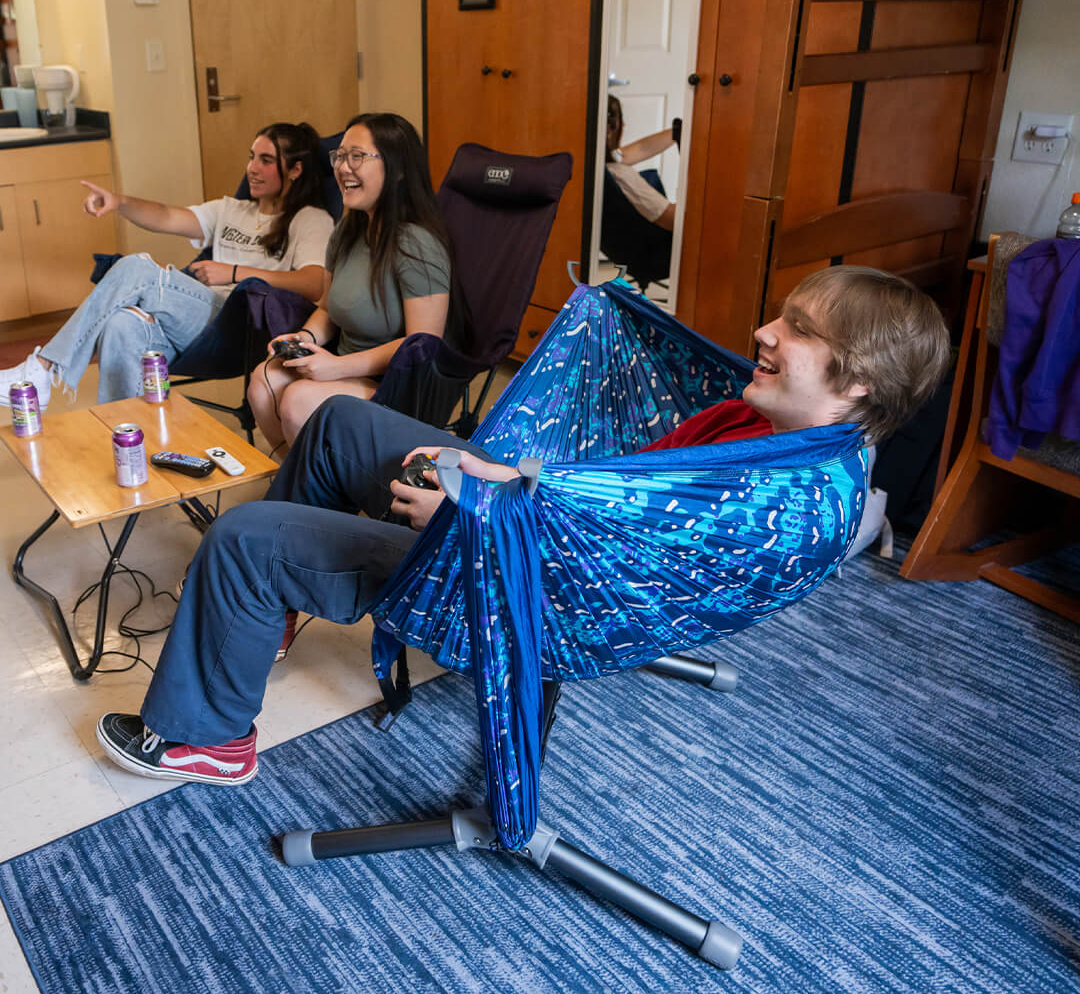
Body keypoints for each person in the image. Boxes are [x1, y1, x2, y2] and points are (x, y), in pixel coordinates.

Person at [94, 265, 951, 786]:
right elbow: (616, 500)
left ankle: (209, 742)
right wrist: (496, 477)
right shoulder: (775, 428)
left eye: (797, 331)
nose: (764, 333)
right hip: (535, 521)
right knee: (336, 425)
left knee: (245, 541)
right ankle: (264, 610)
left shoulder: (785, 502)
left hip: (523, 590)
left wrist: (468, 513)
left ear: (861, 382)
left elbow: (605, 582)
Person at [0, 123, 334, 409]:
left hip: (238, 329)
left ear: (295, 170)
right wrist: (119, 202)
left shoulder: (310, 220)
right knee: (121, 324)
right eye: (251, 157)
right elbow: (165, 215)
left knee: (136, 269)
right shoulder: (231, 210)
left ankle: (42, 368)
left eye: (266, 160)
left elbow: (314, 282)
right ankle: (130, 438)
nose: (252, 168)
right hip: (196, 321)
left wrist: (234, 273)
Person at [247, 112, 453, 455]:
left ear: (398, 169)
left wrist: (337, 367)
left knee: (298, 399)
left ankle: (318, 491)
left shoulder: (417, 244)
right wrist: (306, 338)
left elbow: (423, 344)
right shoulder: (348, 229)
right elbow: (328, 305)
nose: (343, 168)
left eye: (357, 156)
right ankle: (302, 482)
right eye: (340, 156)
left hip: (393, 384)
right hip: (342, 364)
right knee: (263, 380)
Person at [605, 95, 677, 232]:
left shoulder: (596, 163)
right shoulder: (619, 175)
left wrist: (679, 131)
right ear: (609, 129)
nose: (624, 125)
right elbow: (674, 220)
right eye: (620, 119)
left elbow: (640, 148)